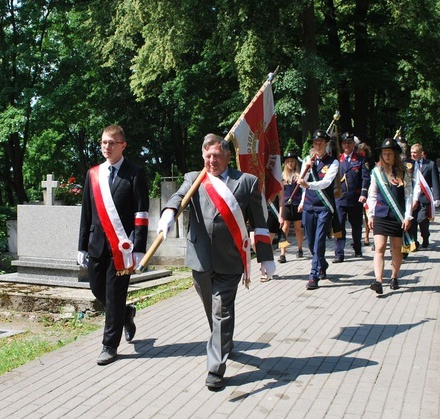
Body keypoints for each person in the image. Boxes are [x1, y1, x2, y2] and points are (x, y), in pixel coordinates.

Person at [157, 134, 275, 390]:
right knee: (213, 311)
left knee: (222, 311)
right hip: (200, 259)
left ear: (227, 156)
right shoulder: (194, 178)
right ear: (203, 157)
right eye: (208, 156)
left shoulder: (246, 182)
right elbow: (178, 196)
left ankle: (215, 369)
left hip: (230, 260)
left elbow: (259, 223)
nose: (212, 161)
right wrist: (168, 212)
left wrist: (266, 257)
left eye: (217, 156)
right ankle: (223, 340)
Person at [77, 125, 149, 365]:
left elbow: (141, 214)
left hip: (122, 248)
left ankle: (109, 346)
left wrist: (138, 248)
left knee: (115, 295)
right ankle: (126, 314)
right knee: (98, 290)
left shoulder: (135, 173)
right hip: (97, 245)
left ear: (123, 145)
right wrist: (82, 246)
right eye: (104, 143)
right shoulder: (93, 174)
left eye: (112, 143)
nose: (106, 147)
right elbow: (86, 212)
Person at [366, 138, 414, 294]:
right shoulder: (377, 172)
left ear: (395, 155)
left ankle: (394, 276)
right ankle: (378, 281)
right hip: (380, 214)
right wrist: (370, 215)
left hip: (396, 215)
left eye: (389, 153)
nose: (386, 156)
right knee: (379, 247)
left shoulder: (403, 172)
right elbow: (372, 194)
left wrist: (408, 216)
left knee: (395, 248)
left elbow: (408, 196)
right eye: (384, 154)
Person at [298, 129, 339, 290]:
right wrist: (307, 169)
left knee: (319, 241)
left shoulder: (333, 162)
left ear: (326, 144)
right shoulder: (308, 159)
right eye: (315, 143)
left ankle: (313, 275)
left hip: (324, 207)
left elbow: (326, 183)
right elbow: (301, 183)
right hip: (309, 205)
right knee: (311, 242)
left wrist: (309, 185)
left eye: (321, 143)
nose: (318, 146)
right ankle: (322, 263)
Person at [333, 132, 370, 262]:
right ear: (342, 145)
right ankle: (339, 253)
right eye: (344, 143)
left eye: (349, 142)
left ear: (353, 144)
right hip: (340, 198)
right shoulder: (337, 160)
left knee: (356, 226)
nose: (347, 145)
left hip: (355, 198)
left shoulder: (360, 159)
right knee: (339, 225)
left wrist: (364, 194)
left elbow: (365, 178)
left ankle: (358, 248)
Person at [409, 143, 440, 248]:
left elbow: (435, 181)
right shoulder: (408, 164)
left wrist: (437, 197)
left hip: (424, 197)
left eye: (415, 152)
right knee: (412, 222)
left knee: (422, 219)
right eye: (411, 152)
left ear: (421, 153)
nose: (413, 155)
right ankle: (414, 242)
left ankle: (425, 236)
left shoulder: (430, 164)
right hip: (411, 197)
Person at [278, 152, 304, 262]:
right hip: (286, 205)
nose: (290, 163)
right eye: (288, 161)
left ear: (295, 162)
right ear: (285, 163)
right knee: (285, 228)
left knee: (298, 228)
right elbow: (280, 193)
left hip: (297, 204)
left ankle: (299, 248)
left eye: (292, 161)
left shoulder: (300, 175)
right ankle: (283, 254)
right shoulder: (282, 176)